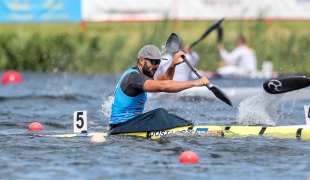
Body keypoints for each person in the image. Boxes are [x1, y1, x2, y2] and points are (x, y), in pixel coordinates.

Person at [108, 44, 210, 133]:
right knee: (159, 113)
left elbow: (165, 79)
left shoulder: (139, 75)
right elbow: (164, 86)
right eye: (153, 62)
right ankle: (188, 128)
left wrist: (173, 65)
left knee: (159, 114)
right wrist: (195, 83)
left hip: (130, 125)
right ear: (142, 60)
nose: (157, 66)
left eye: (158, 62)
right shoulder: (134, 77)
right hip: (121, 128)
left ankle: (187, 127)